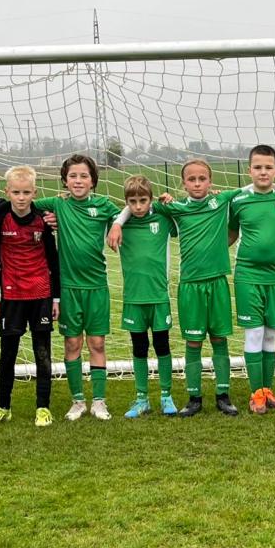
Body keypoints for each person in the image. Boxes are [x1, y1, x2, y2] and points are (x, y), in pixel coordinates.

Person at [146, 159, 275, 417]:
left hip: (218, 282)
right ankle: (194, 398)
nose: (197, 183)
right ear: (183, 183)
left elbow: (258, 186)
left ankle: (223, 395)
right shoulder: (175, 208)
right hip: (190, 285)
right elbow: (140, 205)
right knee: (193, 342)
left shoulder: (223, 199)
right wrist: (118, 223)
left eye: (202, 179)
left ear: (210, 182)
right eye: (191, 179)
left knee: (219, 339)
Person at [29, 155, 121, 420]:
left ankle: (99, 401)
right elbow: (22, 204)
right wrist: (45, 219)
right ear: (64, 181)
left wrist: (116, 224)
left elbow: (126, 211)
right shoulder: (57, 203)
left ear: (93, 180)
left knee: (97, 342)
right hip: (68, 288)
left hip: (96, 286)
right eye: (73, 176)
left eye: (83, 176)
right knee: (72, 343)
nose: (78, 180)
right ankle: (78, 401)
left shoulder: (103, 205)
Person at [0, 166, 58, 427]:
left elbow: (53, 259)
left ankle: (43, 408)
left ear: (34, 192)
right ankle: (3, 406)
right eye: (16, 192)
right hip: (11, 296)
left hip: (40, 294)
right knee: (7, 354)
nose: (22, 197)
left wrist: (56, 298)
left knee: (42, 353)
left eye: (26, 192)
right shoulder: (1, 219)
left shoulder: (42, 220)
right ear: (8, 193)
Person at [106, 175, 178, 418]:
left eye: (143, 200)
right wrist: (117, 222)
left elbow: (177, 217)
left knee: (162, 345)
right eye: (133, 201)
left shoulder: (163, 218)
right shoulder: (119, 224)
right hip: (133, 299)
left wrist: (166, 201)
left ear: (150, 199)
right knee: (139, 347)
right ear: (126, 202)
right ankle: (141, 399)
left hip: (159, 297)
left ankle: (166, 395)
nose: (138, 206)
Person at [228, 145, 275, 415]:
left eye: (268, 167)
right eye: (257, 167)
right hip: (248, 276)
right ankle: (255, 394)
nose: (263, 172)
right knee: (254, 333)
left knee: (271, 335)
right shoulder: (239, 200)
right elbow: (229, 236)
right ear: (249, 170)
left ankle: (267, 390)